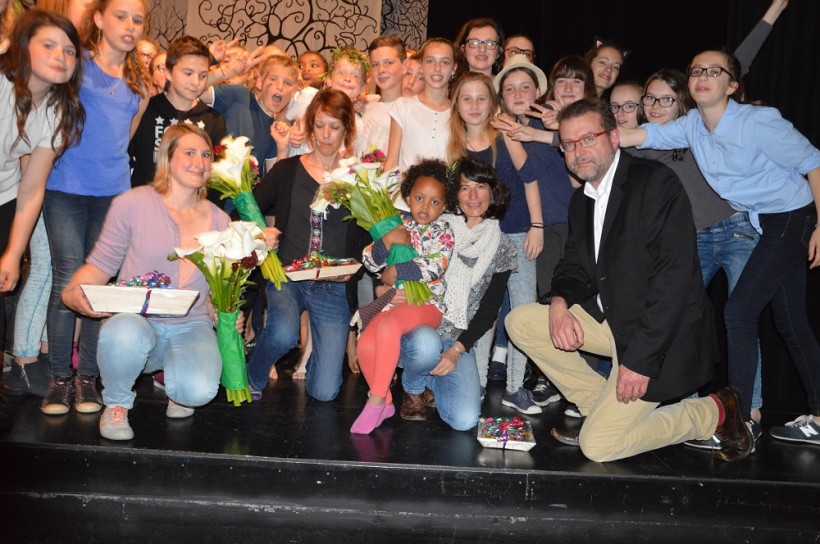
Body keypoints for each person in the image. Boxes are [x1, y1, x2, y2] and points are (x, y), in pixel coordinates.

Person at [506, 99, 754, 462]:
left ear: (614, 137)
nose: (578, 151)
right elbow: (573, 267)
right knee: (521, 322)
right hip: (615, 324)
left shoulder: (653, 183)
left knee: (598, 447)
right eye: (568, 144)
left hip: (662, 336)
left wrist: (639, 362)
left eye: (587, 138)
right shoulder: (583, 201)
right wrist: (559, 304)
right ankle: (598, 407)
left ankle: (714, 412)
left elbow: (674, 282)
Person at [619, 49, 820, 445]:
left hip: (792, 217)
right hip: (768, 222)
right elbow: (639, 134)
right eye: (696, 70)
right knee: (792, 323)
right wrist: (562, 134)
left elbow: (814, 162)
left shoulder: (759, 121)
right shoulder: (693, 125)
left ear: (731, 85)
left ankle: (739, 420)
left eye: (714, 71)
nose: (702, 76)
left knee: (740, 311)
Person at [61, 124, 241, 440]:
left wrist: (225, 314)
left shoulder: (221, 220)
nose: (199, 162)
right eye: (189, 152)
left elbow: (215, 290)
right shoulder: (132, 203)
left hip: (191, 325)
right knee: (122, 332)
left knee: (196, 392)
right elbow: (100, 264)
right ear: (167, 158)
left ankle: (178, 386)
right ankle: (116, 404)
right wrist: (73, 292)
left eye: (205, 155)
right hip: (138, 320)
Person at [40, 0, 150, 417]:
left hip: (112, 196)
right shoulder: (77, 63)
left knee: (98, 287)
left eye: (137, 20)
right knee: (68, 279)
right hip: (65, 187)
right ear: (100, 19)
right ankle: (58, 379)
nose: (129, 26)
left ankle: (87, 376)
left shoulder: (139, 81)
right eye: (120, 16)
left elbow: (126, 138)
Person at [245, 89, 370, 402]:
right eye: (319, 125)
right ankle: (253, 376)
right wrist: (263, 233)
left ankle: (315, 374)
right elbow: (247, 209)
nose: (326, 135)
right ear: (310, 125)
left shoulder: (357, 177)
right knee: (283, 332)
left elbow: (370, 234)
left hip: (333, 285)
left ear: (347, 130)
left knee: (326, 392)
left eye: (335, 127)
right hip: (287, 276)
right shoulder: (287, 170)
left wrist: (352, 267)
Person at [0, 9, 84, 420]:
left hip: (5, 198)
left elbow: (32, 189)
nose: (60, 55)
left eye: (69, 50)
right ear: (22, 47)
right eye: (48, 45)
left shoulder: (55, 110)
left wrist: (14, 253)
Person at [394, 156, 516, 430]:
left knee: (464, 420)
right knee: (425, 344)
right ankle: (413, 388)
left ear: (492, 192)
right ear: (454, 194)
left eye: (480, 187)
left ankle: (431, 377)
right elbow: (396, 261)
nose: (473, 196)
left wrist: (456, 352)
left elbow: (489, 311)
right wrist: (386, 287)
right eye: (464, 188)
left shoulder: (503, 247)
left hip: (458, 340)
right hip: (421, 324)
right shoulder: (436, 223)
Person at [446, 71, 543, 414]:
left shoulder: (504, 136)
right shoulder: (453, 146)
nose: (474, 105)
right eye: (466, 98)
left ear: (493, 103)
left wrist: (537, 225)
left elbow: (530, 179)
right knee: (481, 315)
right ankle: (479, 381)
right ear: (457, 104)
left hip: (517, 236)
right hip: (479, 242)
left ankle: (516, 388)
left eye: (481, 98)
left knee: (522, 314)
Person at [352, 159, 455, 434]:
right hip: (394, 305)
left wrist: (396, 270)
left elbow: (436, 266)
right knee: (364, 344)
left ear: (444, 207)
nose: (425, 206)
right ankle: (385, 400)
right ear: (407, 197)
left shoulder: (442, 231)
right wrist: (385, 243)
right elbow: (369, 262)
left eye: (435, 202)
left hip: (426, 304)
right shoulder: (397, 225)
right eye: (420, 198)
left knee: (386, 326)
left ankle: (374, 401)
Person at [129, 36, 226, 191]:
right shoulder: (146, 110)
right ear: (168, 72)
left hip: (190, 209)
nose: (196, 82)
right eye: (188, 73)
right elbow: (124, 158)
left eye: (203, 75)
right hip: (145, 205)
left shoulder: (214, 120)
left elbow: (216, 179)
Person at [385, 38, 456, 173]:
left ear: (454, 68)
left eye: (445, 62)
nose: (437, 68)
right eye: (430, 61)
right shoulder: (403, 107)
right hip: (406, 192)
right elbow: (391, 163)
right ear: (422, 66)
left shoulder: (459, 113)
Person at [355, 36, 406, 155]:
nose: (381, 70)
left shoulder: (410, 109)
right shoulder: (364, 107)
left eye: (388, 63)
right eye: (375, 64)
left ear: (404, 65)